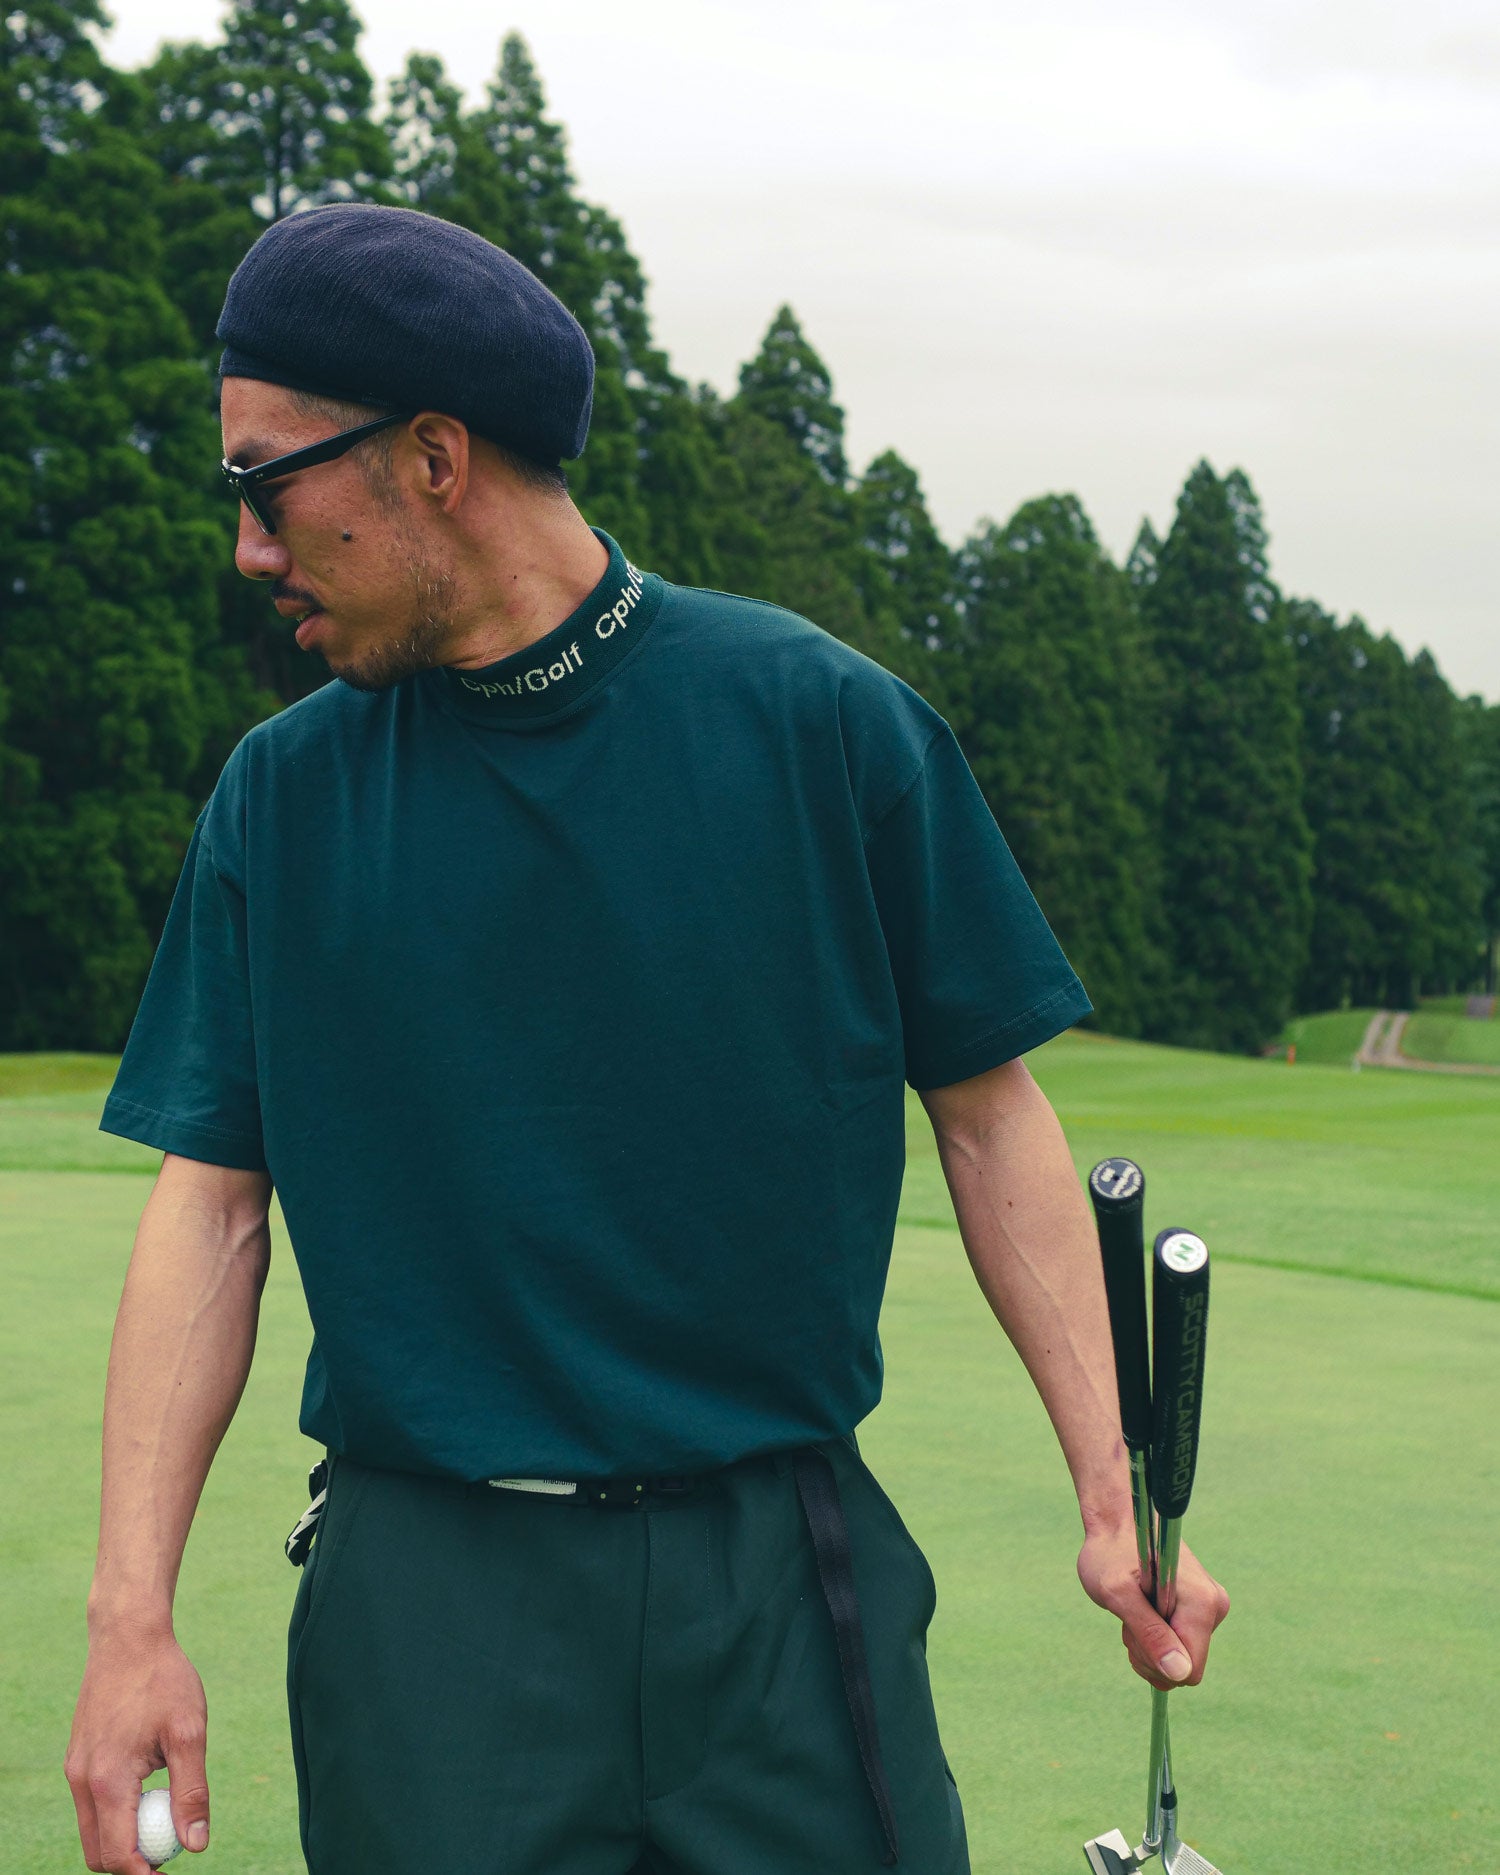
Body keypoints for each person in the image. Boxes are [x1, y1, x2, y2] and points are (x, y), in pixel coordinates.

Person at [64, 204, 1229, 1875]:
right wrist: (130, 1618)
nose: (248, 545)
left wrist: (1111, 1504)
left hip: (784, 1589)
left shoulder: (824, 725)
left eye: (267, 483)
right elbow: (213, 1205)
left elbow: (992, 1123)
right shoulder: (284, 797)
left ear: (436, 457)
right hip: (427, 1614)